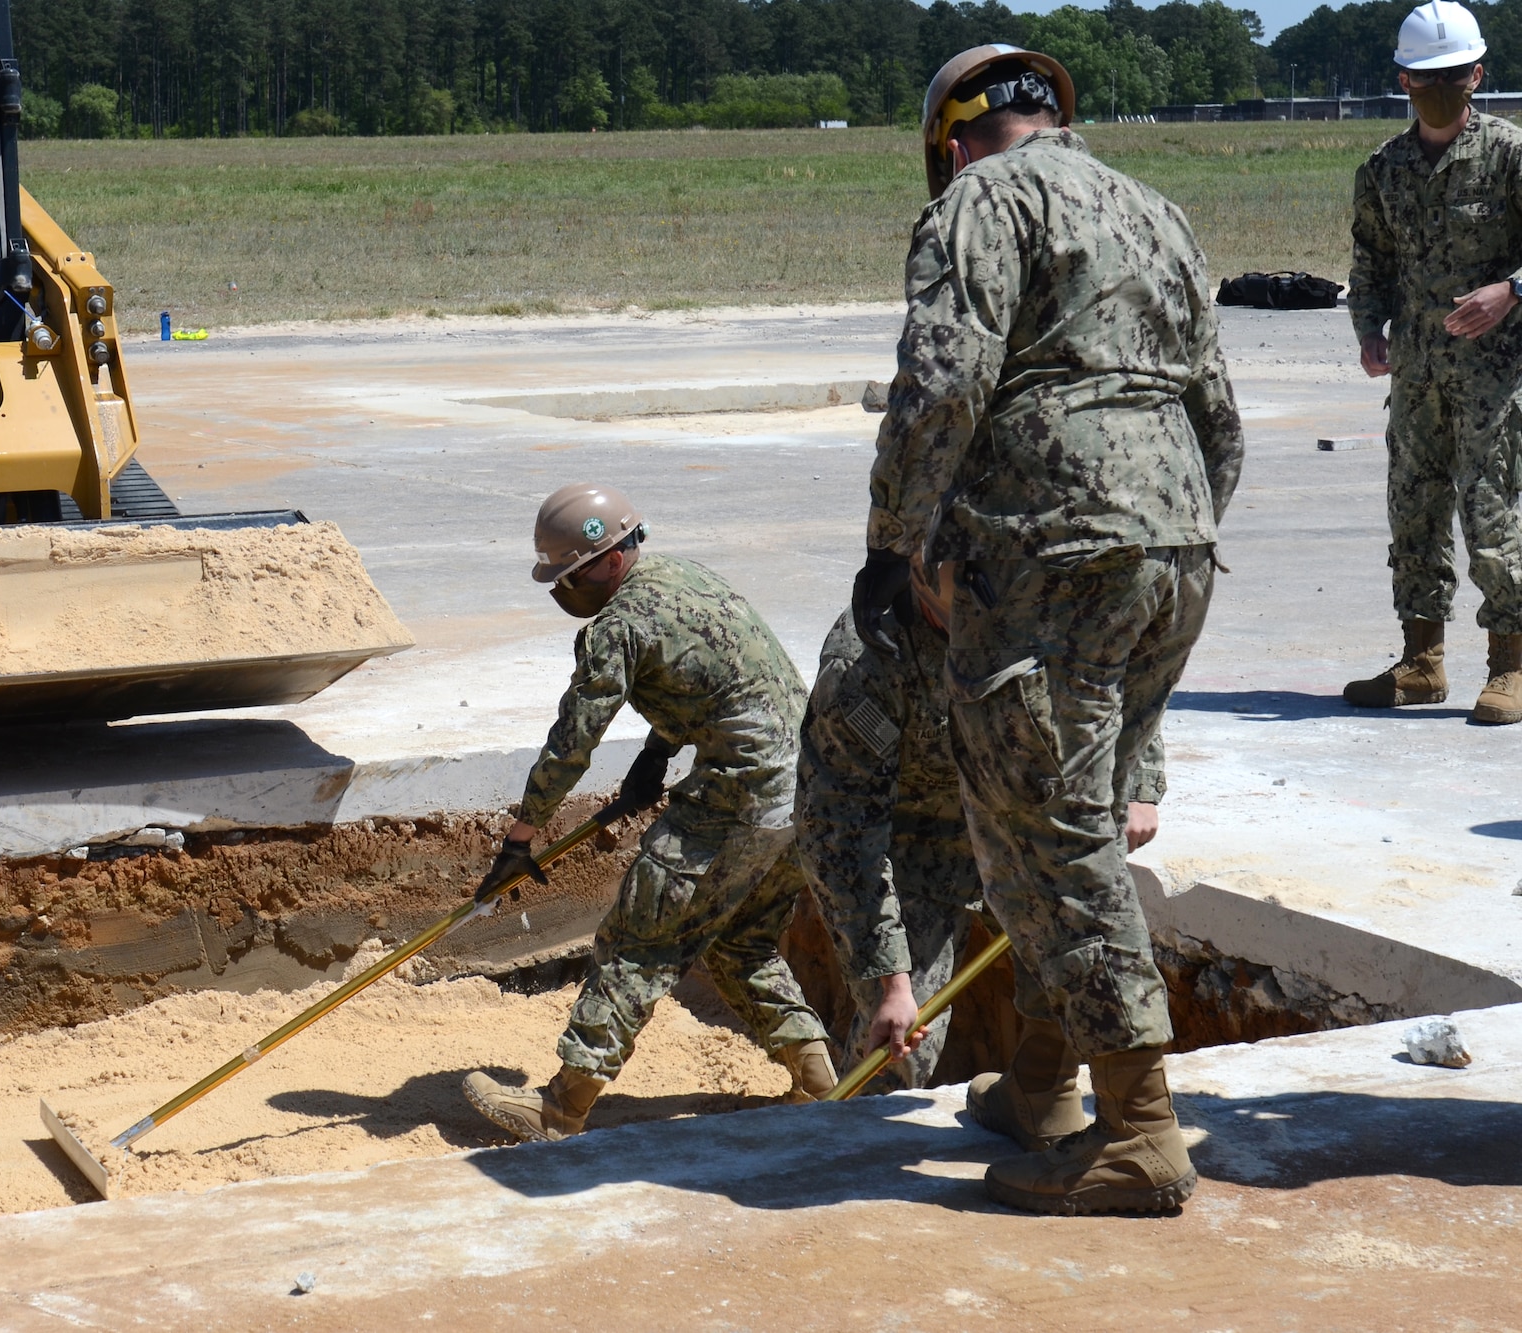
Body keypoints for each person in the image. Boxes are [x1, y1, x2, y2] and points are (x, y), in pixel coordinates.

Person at [853, 45, 1243, 1214]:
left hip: (1047, 556)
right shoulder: (1153, 207)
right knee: (1036, 818)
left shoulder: (978, 204)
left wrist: (890, 539)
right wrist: (1165, 534)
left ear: (952, 141)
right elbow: (1215, 407)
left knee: (1054, 837)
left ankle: (1139, 1131)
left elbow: (941, 380)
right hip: (1171, 548)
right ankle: (1036, 1083)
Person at [462, 484, 836, 1143]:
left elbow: (572, 742)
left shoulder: (619, 626)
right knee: (741, 943)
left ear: (608, 557)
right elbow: (715, 677)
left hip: (739, 798)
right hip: (809, 795)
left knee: (638, 941)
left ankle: (558, 1112)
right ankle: (822, 1085)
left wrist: (521, 838)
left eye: (571, 574)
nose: (566, 589)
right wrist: (656, 756)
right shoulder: (688, 577)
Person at [798, 557, 1165, 1147]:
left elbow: (1119, 682)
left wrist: (1139, 786)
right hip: (916, 844)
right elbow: (839, 828)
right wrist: (891, 981)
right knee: (901, 1042)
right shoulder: (867, 659)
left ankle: (1041, 1095)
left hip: (1024, 816)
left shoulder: (1038, 605)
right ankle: (851, 1149)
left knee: (1080, 965)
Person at [1344, 1, 1522, 725]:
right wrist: (1368, 330)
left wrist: (1510, 290)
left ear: (1478, 75)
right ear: (1404, 81)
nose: (1442, 87)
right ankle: (1421, 662)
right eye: (1427, 77)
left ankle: (1510, 665)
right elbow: (1370, 259)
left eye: (1455, 75)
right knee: (1413, 514)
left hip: (1493, 380)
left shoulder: (1511, 155)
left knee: (1491, 514)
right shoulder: (1383, 168)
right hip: (1416, 378)